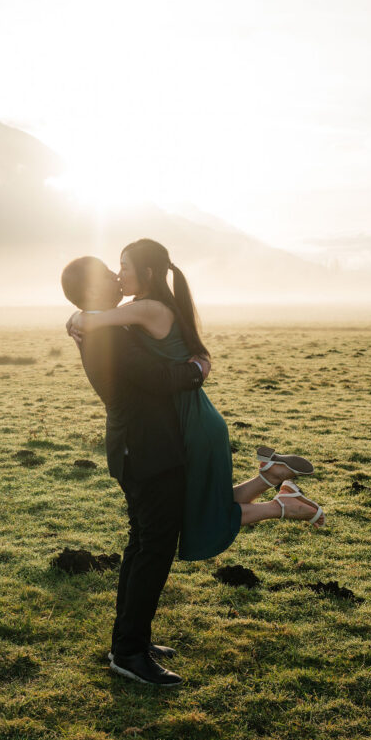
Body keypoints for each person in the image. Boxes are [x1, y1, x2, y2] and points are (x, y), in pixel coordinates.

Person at [67, 239, 325, 565]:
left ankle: (284, 506)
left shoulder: (147, 308)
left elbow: (94, 321)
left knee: (202, 511)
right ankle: (272, 479)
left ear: (146, 272)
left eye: (123, 268)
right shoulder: (148, 305)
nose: (118, 276)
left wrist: (78, 316)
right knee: (203, 503)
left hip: (192, 422)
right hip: (194, 417)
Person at [60, 255, 208, 687]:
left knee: (142, 543)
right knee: (154, 549)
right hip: (144, 449)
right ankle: (128, 652)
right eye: (105, 273)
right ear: (91, 291)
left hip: (139, 446)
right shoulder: (103, 332)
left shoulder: (101, 323)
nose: (114, 275)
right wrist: (198, 368)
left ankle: (128, 641)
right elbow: (159, 378)